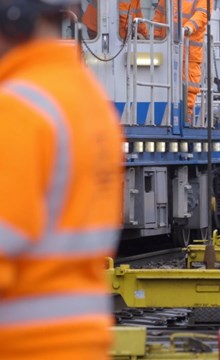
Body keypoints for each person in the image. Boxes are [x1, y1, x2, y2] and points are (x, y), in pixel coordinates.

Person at [0, 0, 124, 359]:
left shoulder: (19, 109)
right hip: (81, 341)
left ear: (13, 17)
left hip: (22, 344)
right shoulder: (89, 101)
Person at [154, 0, 207, 124]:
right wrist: (154, 36)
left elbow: (201, 15)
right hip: (165, 48)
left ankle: (186, 118)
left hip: (189, 51)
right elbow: (159, 15)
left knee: (189, 87)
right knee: (161, 82)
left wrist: (188, 28)